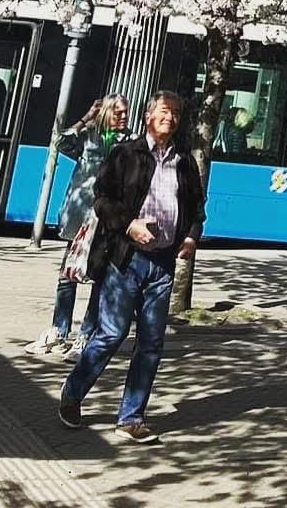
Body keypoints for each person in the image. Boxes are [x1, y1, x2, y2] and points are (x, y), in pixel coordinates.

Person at [58, 91, 205, 443]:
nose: (169, 119)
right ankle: (73, 393)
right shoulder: (127, 154)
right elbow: (102, 200)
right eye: (163, 112)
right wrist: (129, 225)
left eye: (175, 114)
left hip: (163, 263)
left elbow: (197, 206)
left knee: (152, 343)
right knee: (111, 334)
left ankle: (131, 418)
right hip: (126, 258)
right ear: (148, 116)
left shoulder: (184, 162)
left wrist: (191, 236)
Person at [28, 94, 129, 359]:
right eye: (118, 112)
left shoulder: (128, 143)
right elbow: (60, 142)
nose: (123, 116)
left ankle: (85, 336)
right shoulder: (89, 137)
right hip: (79, 215)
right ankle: (59, 330)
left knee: (98, 278)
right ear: (105, 113)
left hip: (105, 220)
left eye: (125, 112)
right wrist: (85, 118)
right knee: (67, 275)